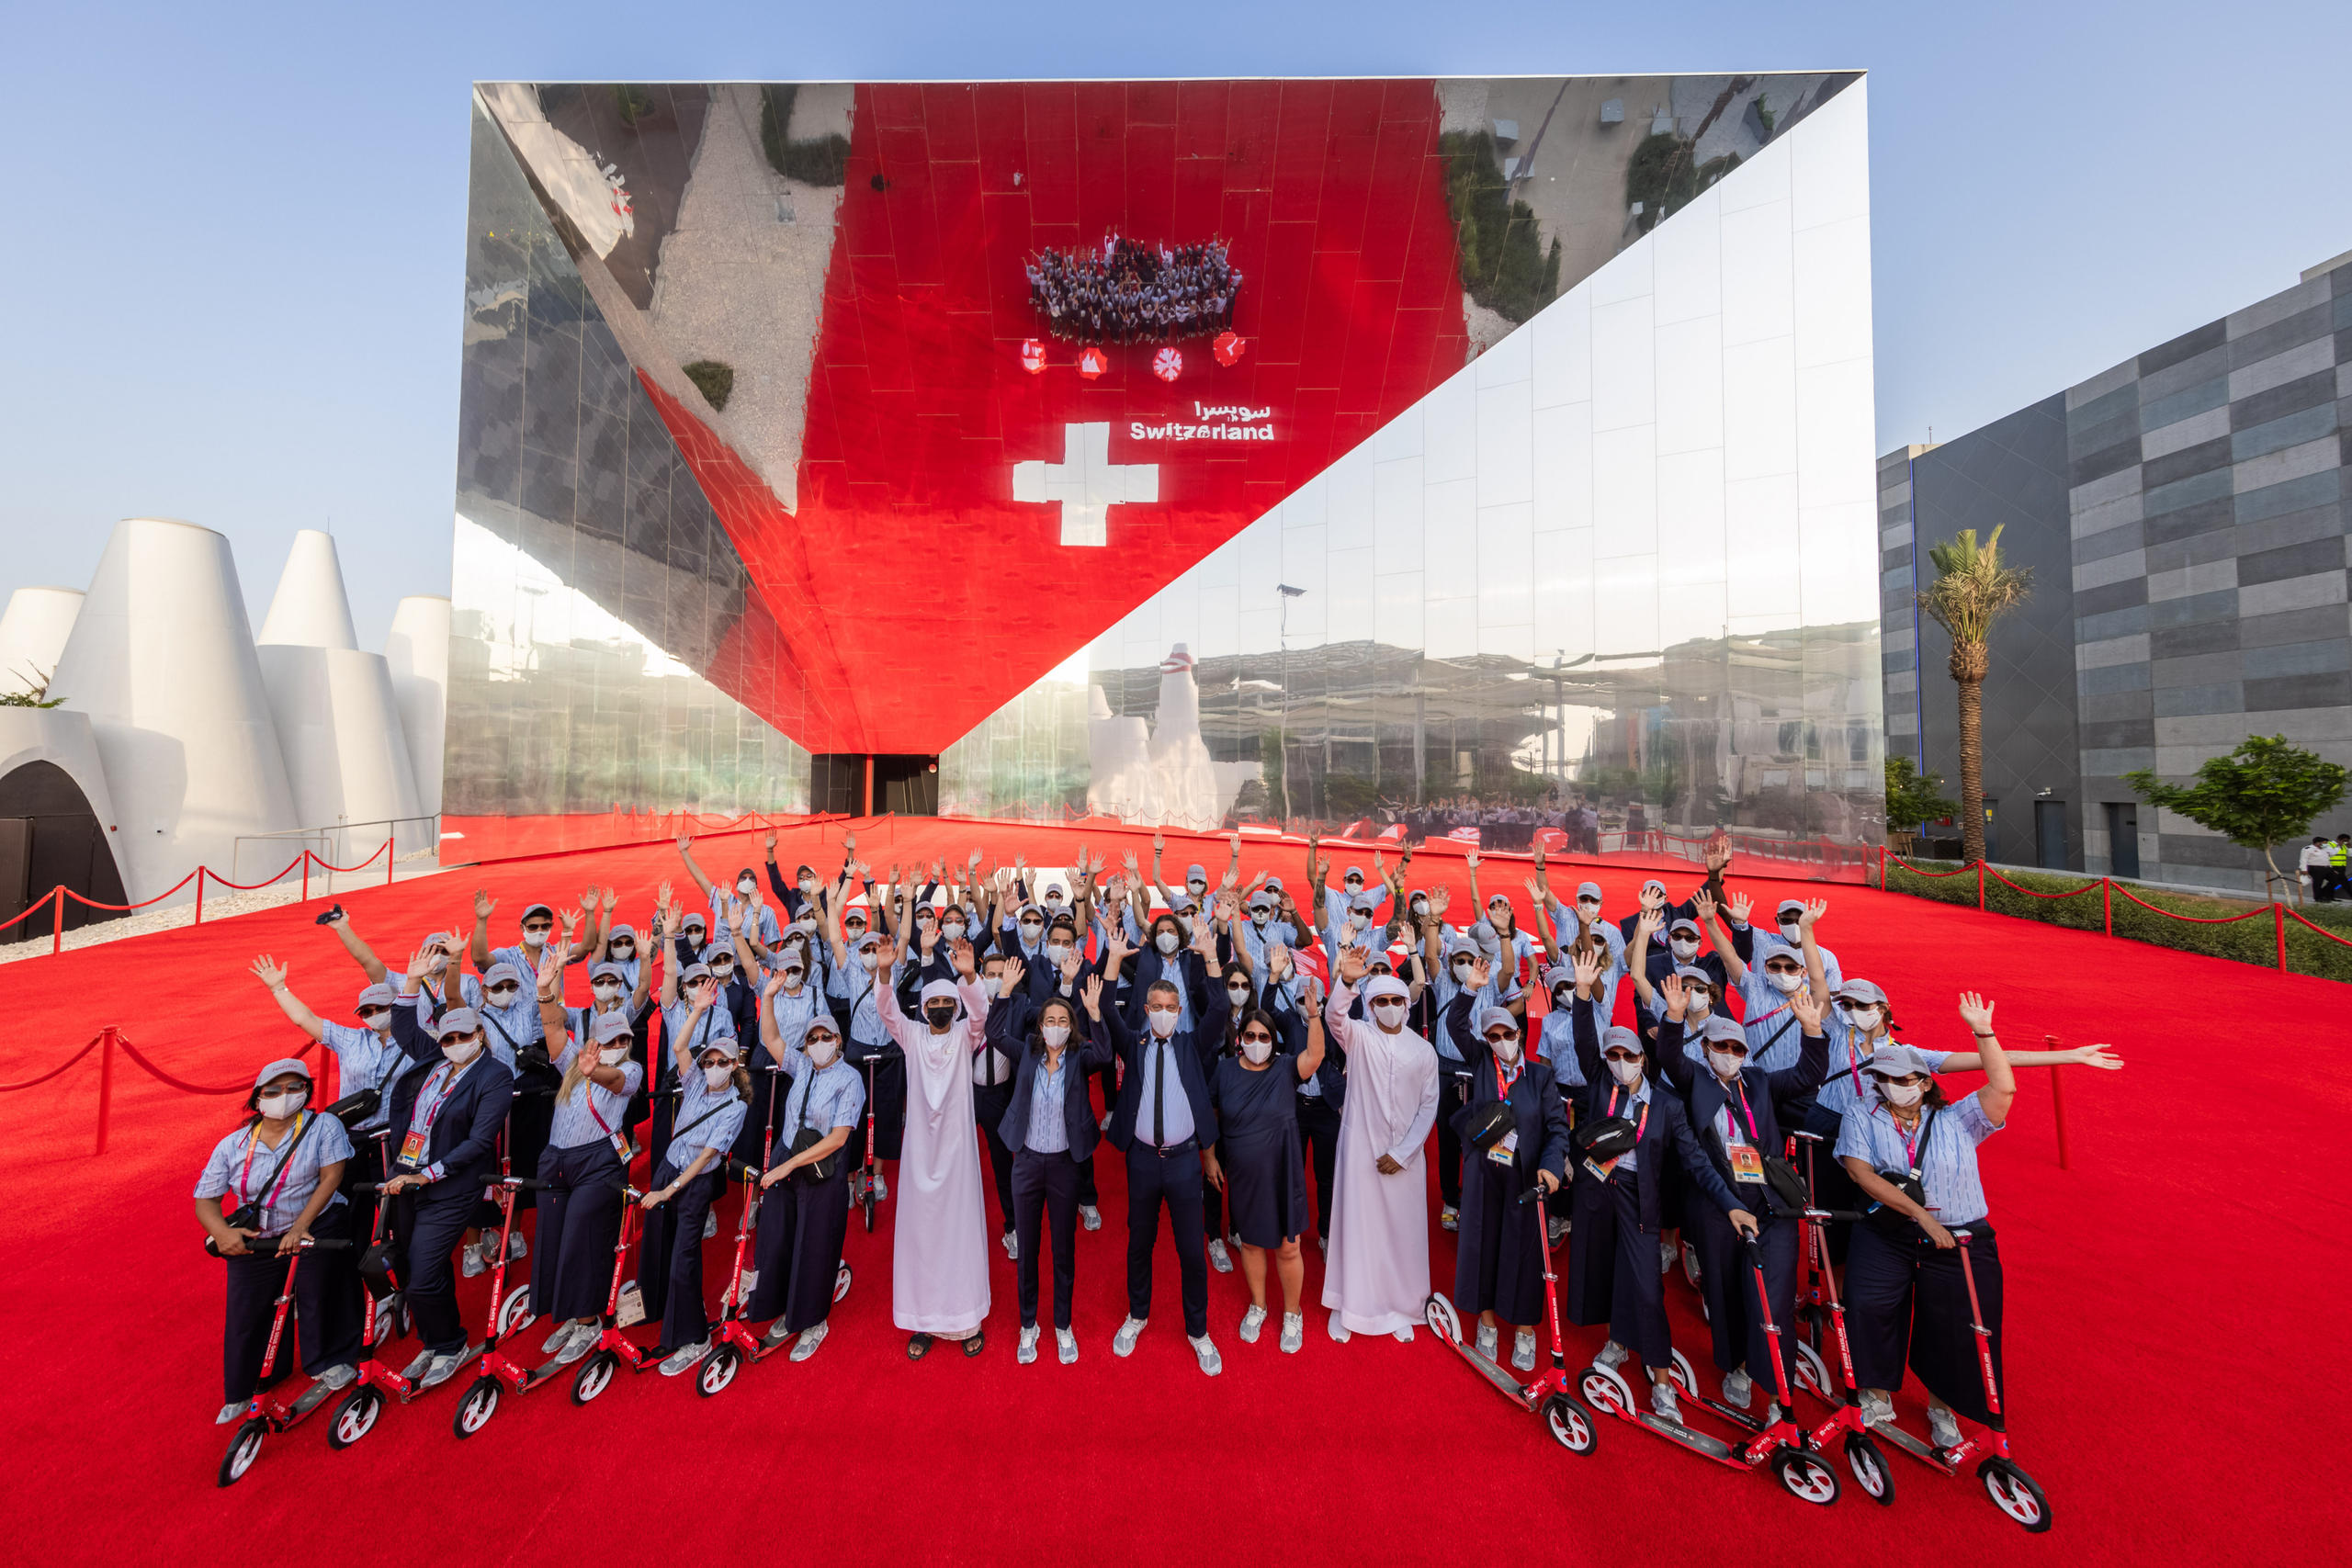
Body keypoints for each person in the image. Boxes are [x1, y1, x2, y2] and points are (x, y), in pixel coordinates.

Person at [1838, 999, 2018, 1450]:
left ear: (1924, 1081)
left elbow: (2004, 1088)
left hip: (1959, 1239)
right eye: (1885, 1078)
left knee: (1958, 1326)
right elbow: (1861, 1173)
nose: (1895, 1086)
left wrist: (1983, 1033)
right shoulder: (1862, 1112)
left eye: (1905, 1079)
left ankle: (1944, 1406)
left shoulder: (1960, 1117)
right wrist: (1918, 1214)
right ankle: (1876, 1394)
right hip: (1888, 1234)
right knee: (1869, 1305)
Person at [1653, 975, 1827, 1425]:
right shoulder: (1696, 1081)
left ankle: (1776, 1396)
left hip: (1770, 1205)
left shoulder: (1761, 1083)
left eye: (1737, 1049)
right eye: (1721, 1048)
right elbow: (1669, 1055)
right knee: (1725, 1289)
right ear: (1707, 1050)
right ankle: (1737, 1366)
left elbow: (1809, 1075)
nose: (1730, 1055)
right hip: (1716, 1204)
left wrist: (1811, 1029)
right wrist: (1674, 1017)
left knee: (1773, 1299)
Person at [1562, 949, 1720, 1421]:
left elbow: (1695, 1160)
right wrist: (1584, 993)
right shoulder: (1599, 1085)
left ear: (1642, 1060)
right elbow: (1583, 1040)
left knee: (1648, 1285)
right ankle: (1616, 1341)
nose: (1619, 1061)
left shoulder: (1667, 1106)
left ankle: (1662, 1378)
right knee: (1607, 1270)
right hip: (1596, 1192)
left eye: (1629, 1055)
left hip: (1639, 1199)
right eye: (1613, 1055)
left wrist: (1729, 1203)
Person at [194, 1057, 363, 1422]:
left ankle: (331, 1358)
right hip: (258, 1237)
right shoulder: (233, 1144)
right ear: (258, 1100)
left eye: (294, 1088)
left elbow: (331, 1177)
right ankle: (244, 1386)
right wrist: (222, 1233)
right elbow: (205, 1199)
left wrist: (302, 1225)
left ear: (307, 1092)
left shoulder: (324, 1126)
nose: (283, 1097)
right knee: (246, 1310)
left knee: (318, 1292)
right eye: (273, 1091)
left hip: (316, 1223)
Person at [1096, 919, 1228, 1375]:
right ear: (1147, 1009)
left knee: (1191, 1250)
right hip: (1143, 1163)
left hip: (1184, 1164)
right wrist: (1113, 960)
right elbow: (1111, 1015)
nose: (1165, 1013)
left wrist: (1211, 959)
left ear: (1179, 1009)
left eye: (1172, 1006)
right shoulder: (1133, 1046)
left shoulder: (1193, 1045)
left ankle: (1198, 1330)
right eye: (1157, 1006)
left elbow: (1219, 1012)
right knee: (1140, 1244)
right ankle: (1137, 1315)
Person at [381, 954, 516, 1391]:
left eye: (464, 1035)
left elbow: (480, 1142)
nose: (455, 1041)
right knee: (414, 1266)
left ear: (480, 1035)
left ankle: (453, 1343)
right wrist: (413, 979)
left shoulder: (494, 1076)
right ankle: (435, 1339)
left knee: (422, 1271)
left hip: (450, 1184)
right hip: (405, 1177)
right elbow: (404, 1028)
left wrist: (429, 1174)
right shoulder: (434, 1060)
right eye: (448, 1037)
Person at [1439, 964, 1571, 1373]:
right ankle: (1487, 1322)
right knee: (1483, 1246)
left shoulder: (1542, 1077)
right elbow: (1456, 1023)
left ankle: (1527, 1329)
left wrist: (1551, 1168)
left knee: (1524, 1251)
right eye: (1493, 1036)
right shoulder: (1480, 1060)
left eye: (1507, 1034)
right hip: (1483, 1174)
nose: (1500, 1041)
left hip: (1526, 1178)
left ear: (1520, 1035)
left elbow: (1556, 1129)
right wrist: (1469, 989)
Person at [992, 966, 1116, 1364]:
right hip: (1026, 1163)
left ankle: (1062, 1324)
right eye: (1050, 1020)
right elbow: (994, 1034)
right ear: (1041, 1025)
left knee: (1063, 1249)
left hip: (1065, 1165)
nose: (1056, 1026)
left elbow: (1106, 1054)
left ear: (1071, 1027)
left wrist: (1095, 1014)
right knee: (1028, 1249)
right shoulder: (1027, 1050)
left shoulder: (1080, 1056)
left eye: (1064, 1021)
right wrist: (1005, 992)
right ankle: (1029, 1324)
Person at [876, 943, 994, 1359]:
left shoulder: (965, 1035)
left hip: (958, 1155)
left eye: (948, 1003)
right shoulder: (911, 1036)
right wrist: (886, 973)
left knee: (958, 1233)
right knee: (920, 1235)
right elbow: (888, 1011)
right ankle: (923, 1320)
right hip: (919, 1157)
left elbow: (980, 1014)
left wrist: (970, 977)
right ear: (924, 1009)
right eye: (935, 1003)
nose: (942, 1008)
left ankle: (964, 1319)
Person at [1320, 952, 1441, 1344]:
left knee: (1402, 1234)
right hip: (1360, 1151)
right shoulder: (1360, 1037)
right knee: (1356, 1228)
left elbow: (1428, 1107)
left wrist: (1403, 1153)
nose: (1388, 1008)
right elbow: (1334, 1018)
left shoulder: (1423, 1051)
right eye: (1380, 1002)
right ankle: (1347, 1305)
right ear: (1370, 1007)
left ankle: (1400, 1306)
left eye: (1395, 1001)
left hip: (1405, 1161)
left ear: (1407, 1006)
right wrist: (1347, 984)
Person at [526, 963, 642, 1369]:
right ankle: (568, 1313)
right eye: (609, 1037)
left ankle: (589, 1318)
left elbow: (615, 1080)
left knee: (583, 1237)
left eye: (623, 1038)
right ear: (596, 1037)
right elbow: (554, 1030)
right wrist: (544, 991)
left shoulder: (630, 1068)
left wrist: (600, 1070)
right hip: (555, 1160)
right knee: (554, 1238)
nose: (617, 1042)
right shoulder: (572, 1063)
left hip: (599, 1163)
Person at [248, 955, 403, 1244]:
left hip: (394, 1138)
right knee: (352, 1213)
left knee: (398, 1214)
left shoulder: (418, 1042)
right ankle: (359, 1273)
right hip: (352, 1138)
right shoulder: (351, 1039)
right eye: (367, 1011)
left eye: (382, 1007)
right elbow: (305, 1019)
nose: (374, 1013)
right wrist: (278, 988)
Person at [1209, 981, 1328, 1355]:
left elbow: (1316, 1055)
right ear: (1240, 1037)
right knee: (1252, 1243)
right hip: (1244, 1176)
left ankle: (1292, 1313)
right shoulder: (1225, 1071)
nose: (1257, 1040)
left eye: (1264, 1035)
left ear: (1273, 1040)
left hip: (1284, 1172)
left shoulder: (1287, 1068)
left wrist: (1313, 1016)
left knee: (1288, 1248)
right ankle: (1258, 1305)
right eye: (1250, 1034)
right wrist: (1209, 1156)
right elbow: (1210, 1116)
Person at [748, 1008, 864, 1362]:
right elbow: (770, 1039)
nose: (817, 1044)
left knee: (813, 1244)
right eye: (812, 1039)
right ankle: (782, 1306)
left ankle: (813, 1321)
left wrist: (789, 1166)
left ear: (838, 1041)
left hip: (821, 1166)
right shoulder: (800, 1066)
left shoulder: (850, 1079)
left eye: (825, 1038)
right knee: (776, 1235)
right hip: (787, 1157)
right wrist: (768, 997)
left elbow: (839, 1138)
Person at [639, 1007, 750, 1375]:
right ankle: (659, 1311)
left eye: (722, 1061)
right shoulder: (696, 1082)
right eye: (710, 1061)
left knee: (685, 1256)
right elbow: (680, 1045)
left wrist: (667, 1191)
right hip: (669, 1167)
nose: (714, 1066)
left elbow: (705, 1158)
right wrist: (699, 1009)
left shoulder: (736, 1106)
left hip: (692, 1182)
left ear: (734, 1065)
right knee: (659, 1244)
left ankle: (694, 1336)